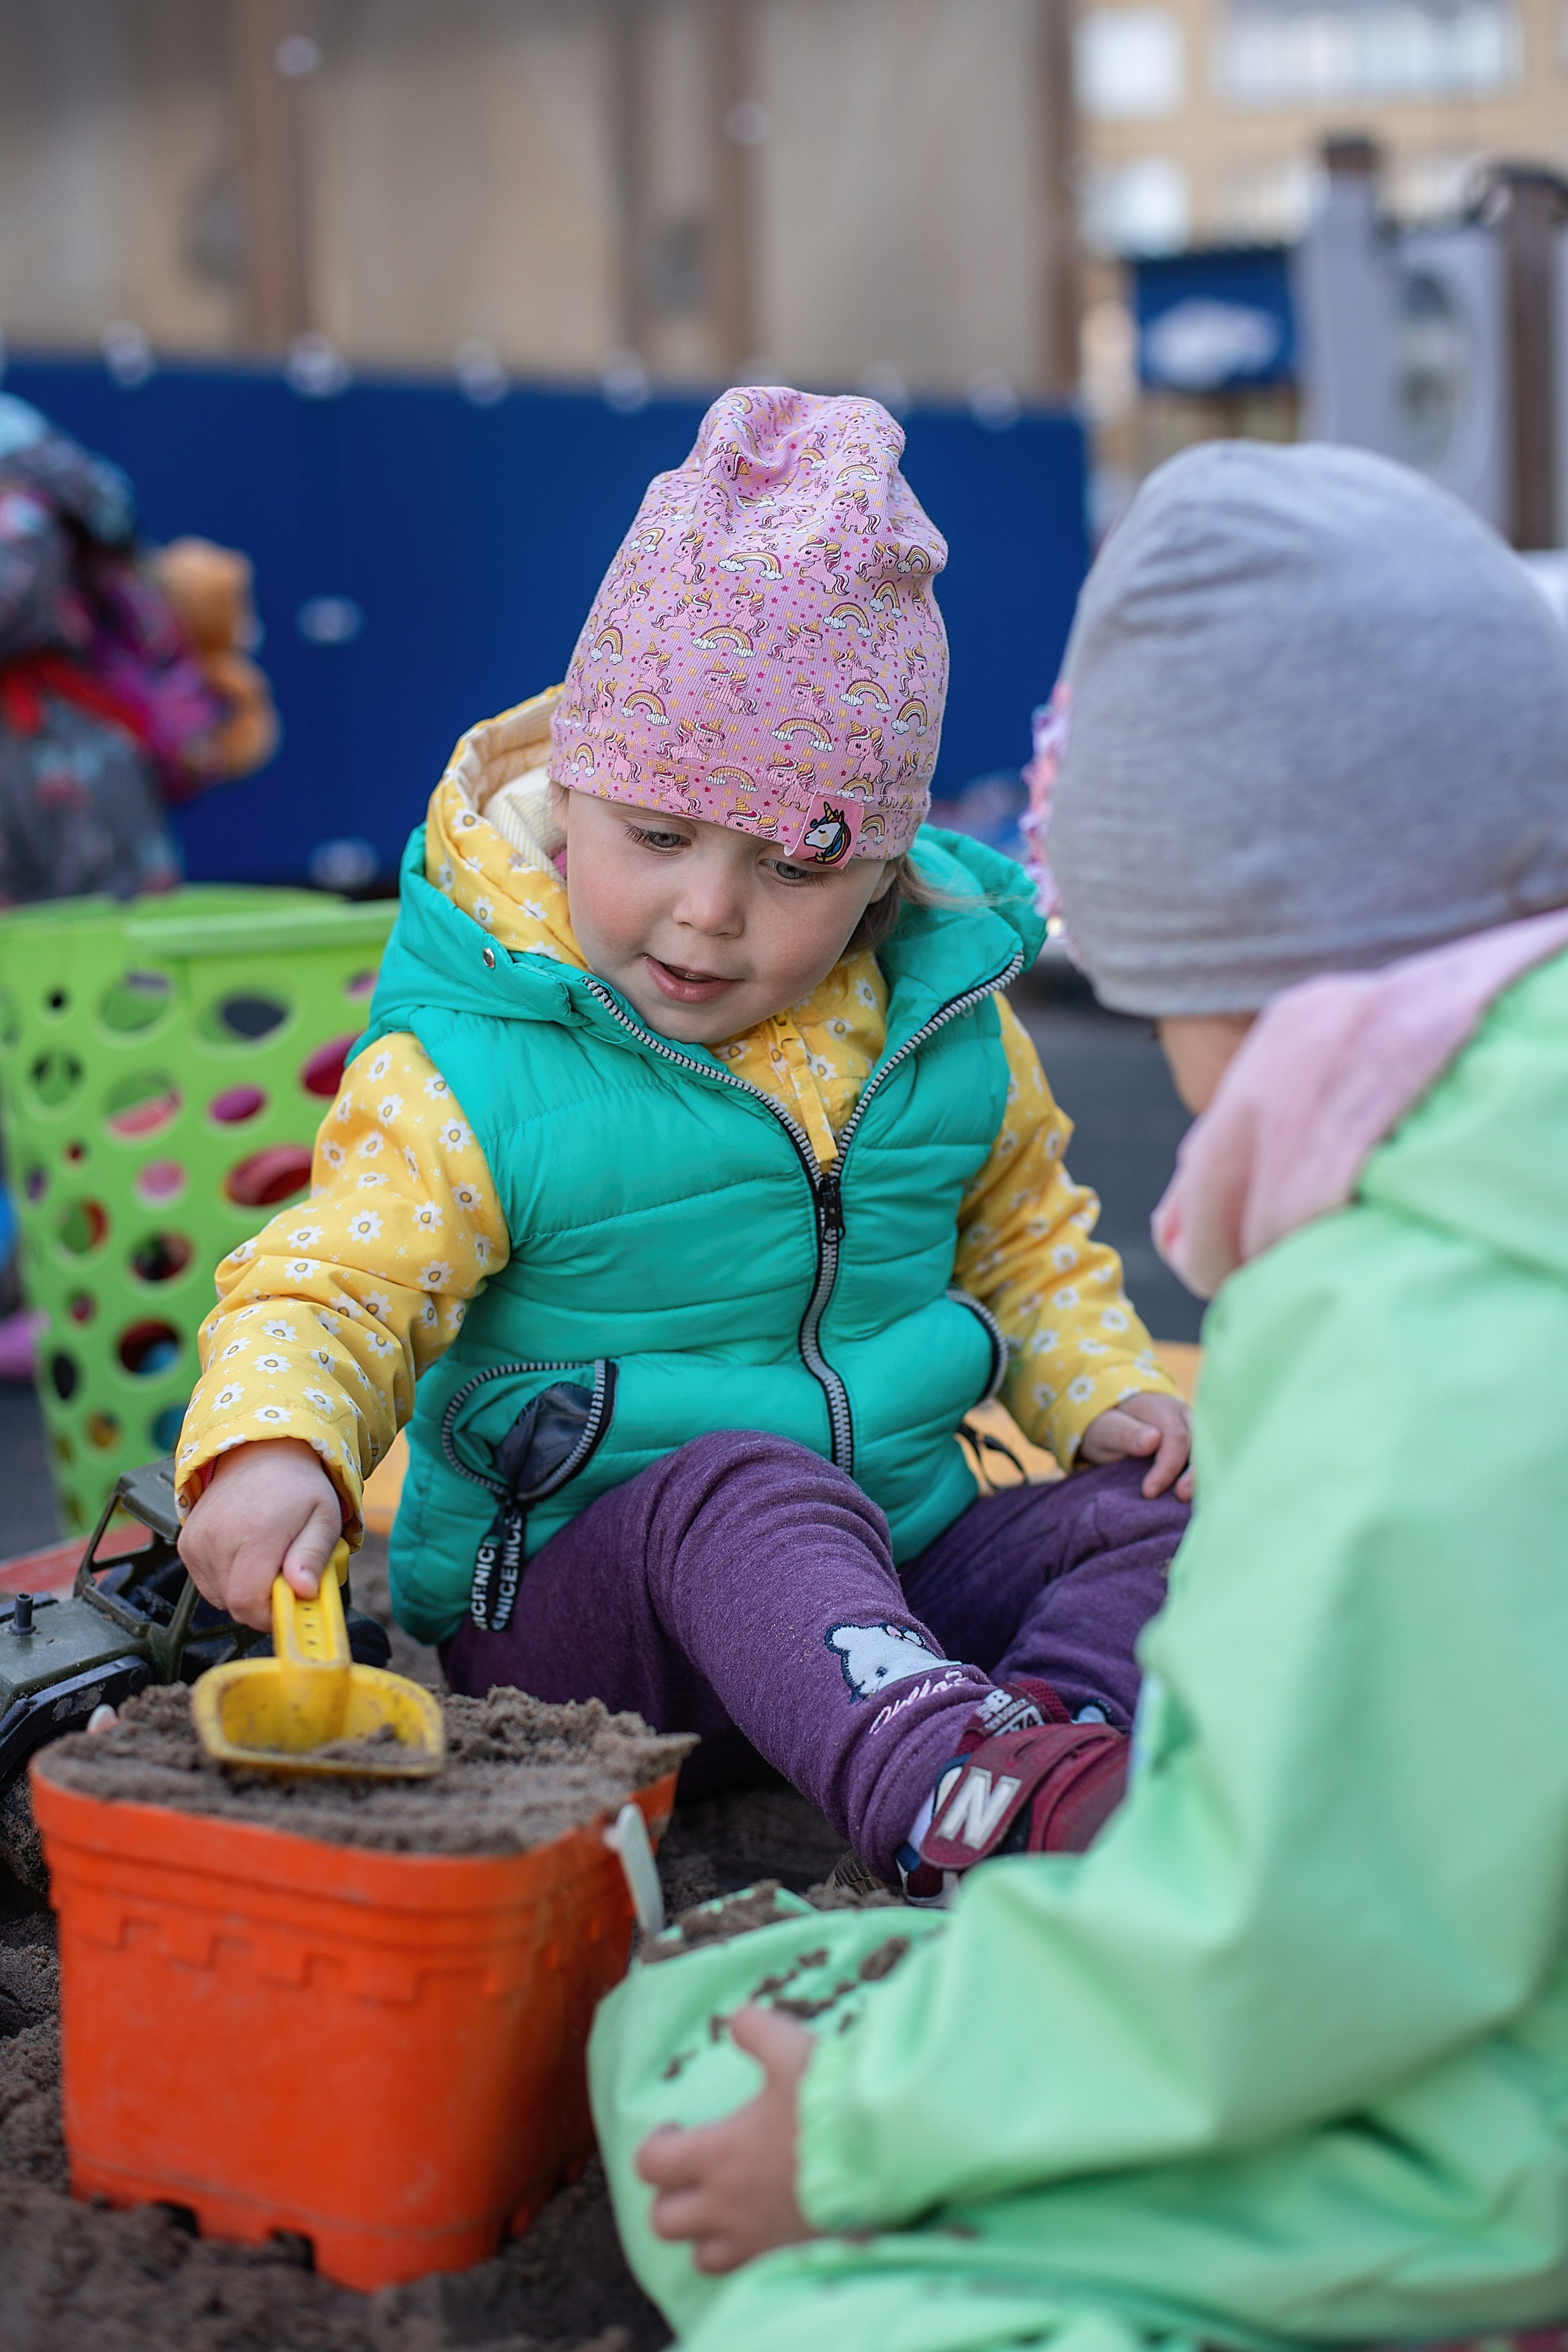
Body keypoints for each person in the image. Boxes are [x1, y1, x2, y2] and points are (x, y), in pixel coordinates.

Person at [582, 439, 1568, 2352]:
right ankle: (1018, 1790)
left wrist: (855, 2127)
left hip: (1463, 2137)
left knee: (705, 2107)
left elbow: (1288, 1931)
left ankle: (1000, 1792)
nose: (707, 925)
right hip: (1422, 2013)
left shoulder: (1403, 1330)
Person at [175, 386, 1191, 1893]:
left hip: (889, 1574)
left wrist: (1097, 1386)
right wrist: (277, 1444)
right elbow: (337, 1283)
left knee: (1149, 1523)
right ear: (570, 796)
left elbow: (1024, 1229)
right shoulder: (475, 1063)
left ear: (882, 877)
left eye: (789, 866)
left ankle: (1047, 1759)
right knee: (749, 1486)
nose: (707, 914)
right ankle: (949, 1789)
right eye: (656, 839)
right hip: (592, 1626)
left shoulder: (940, 1027)